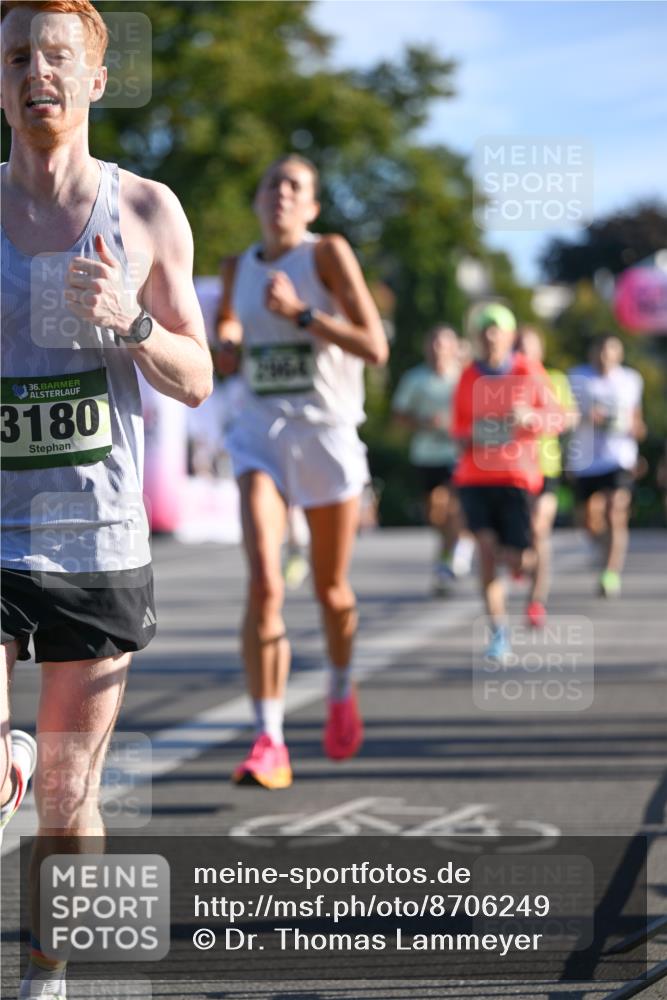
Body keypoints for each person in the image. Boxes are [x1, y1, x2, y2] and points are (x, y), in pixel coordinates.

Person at [0, 3, 212, 997]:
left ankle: (46, 971)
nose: (35, 71)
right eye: (15, 57)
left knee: (66, 799)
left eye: (57, 55)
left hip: (98, 535)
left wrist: (130, 321)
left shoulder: (146, 210)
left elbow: (197, 376)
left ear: (93, 77)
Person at [216, 155, 387, 789]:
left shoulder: (327, 256)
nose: (282, 194)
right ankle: (270, 739)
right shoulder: (237, 266)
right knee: (265, 582)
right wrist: (228, 341)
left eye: (296, 187)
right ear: (258, 200)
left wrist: (303, 316)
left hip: (326, 437)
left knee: (331, 592)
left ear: (311, 207)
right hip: (260, 436)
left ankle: (341, 688)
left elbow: (376, 346)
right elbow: (228, 338)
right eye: (272, 184)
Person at [451, 304, 566, 662]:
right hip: (475, 478)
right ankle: (499, 634)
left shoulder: (527, 370)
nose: (489, 337)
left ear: (509, 335)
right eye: (483, 330)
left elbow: (558, 418)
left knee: (519, 558)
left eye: (496, 329)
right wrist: (473, 434)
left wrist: (531, 416)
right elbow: (456, 429)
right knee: (486, 552)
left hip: (517, 477)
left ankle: (531, 570)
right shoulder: (468, 376)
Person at [392, 325, 473, 593]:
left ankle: (452, 557)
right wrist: (423, 421)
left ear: (453, 347)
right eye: (434, 343)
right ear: (427, 347)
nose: (439, 349)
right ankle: (450, 552)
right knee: (435, 512)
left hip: (458, 453)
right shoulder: (415, 379)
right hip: (426, 454)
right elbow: (399, 415)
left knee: (454, 508)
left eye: (444, 344)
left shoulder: (464, 376)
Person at [567, 333, 645, 597]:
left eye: (611, 351)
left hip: (619, 457)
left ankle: (610, 573)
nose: (605, 356)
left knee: (615, 513)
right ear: (591, 352)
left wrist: (634, 430)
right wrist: (585, 417)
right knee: (587, 520)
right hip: (585, 459)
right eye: (600, 350)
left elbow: (637, 421)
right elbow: (563, 416)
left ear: (619, 354)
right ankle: (602, 548)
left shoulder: (631, 380)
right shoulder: (576, 378)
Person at [514, 327, 579, 626]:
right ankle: (521, 561)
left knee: (540, 530)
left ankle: (536, 602)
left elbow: (569, 417)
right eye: (518, 348)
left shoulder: (554, 379)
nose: (523, 354)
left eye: (529, 348)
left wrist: (535, 417)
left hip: (545, 469)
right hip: (511, 471)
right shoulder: (502, 381)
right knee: (520, 543)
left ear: (540, 351)